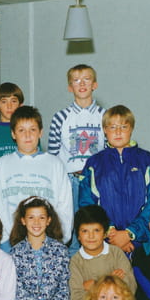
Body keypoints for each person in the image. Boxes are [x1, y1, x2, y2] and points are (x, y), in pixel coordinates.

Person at [79, 105, 150, 254]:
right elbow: (87, 204)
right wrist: (109, 232)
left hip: (142, 245)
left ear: (131, 128)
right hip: (105, 244)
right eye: (112, 127)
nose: (118, 132)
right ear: (105, 130)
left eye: (124, 127)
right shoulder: (93, 164)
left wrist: (130, 233)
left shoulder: (149, 161)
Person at [0, 106, 73, 250]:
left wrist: (58, 240)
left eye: (32, 130)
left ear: (40, 132)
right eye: (21, 130)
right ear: (13, 134)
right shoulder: (2, 164)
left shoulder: (54, 164)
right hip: (9, 245)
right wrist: (2, 241)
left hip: (48, 245)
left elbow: (65, 206)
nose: (27, 135)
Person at [47, 64, 105, 256]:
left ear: (94, 85)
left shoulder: (105, 116)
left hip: (96, 181)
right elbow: (53, 157)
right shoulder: (60, 117)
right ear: (70, 87)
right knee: (68, 231)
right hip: (69, 181)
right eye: (76, 80)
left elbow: (109, 153)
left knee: (94, 230)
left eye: (87, 79)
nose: (82, 84)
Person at [69, 204, 136, 300]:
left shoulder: (116, 253)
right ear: (78, 236)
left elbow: (130, 289)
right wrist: (113, 282)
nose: (91, 236)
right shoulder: (75, 262)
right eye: (85, 231)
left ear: (105, 233)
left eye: (96, 230)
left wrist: (95, 286)